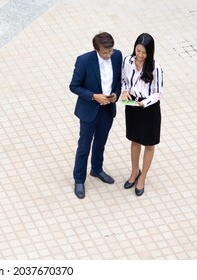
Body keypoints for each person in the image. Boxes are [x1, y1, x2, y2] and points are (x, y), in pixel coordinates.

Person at [69, 32, 123, 199]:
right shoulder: (84, 61)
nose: (109, 55)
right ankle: (79, 179)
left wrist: (116, 94)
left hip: (107, 109)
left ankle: (97, 169)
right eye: (105, 52)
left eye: (110, 51)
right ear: (96, 50)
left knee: (101, 142)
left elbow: (119, 81)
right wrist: (93, 96)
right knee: (84, 146)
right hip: (89, 110)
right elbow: (74, 86)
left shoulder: (117, 56)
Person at [120, 33, 164, 196]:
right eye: (138, 51)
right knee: (134, 139)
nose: (139, 55)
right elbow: (124, 80)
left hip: (148, 107)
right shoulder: (127, 61)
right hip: (132, 105)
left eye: (143, 53)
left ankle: (142, 177)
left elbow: (158, 92)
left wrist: (144, 103)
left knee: (149, 143)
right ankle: (134, 172)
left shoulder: (155, 67)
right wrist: (124, 91)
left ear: (150, 53)